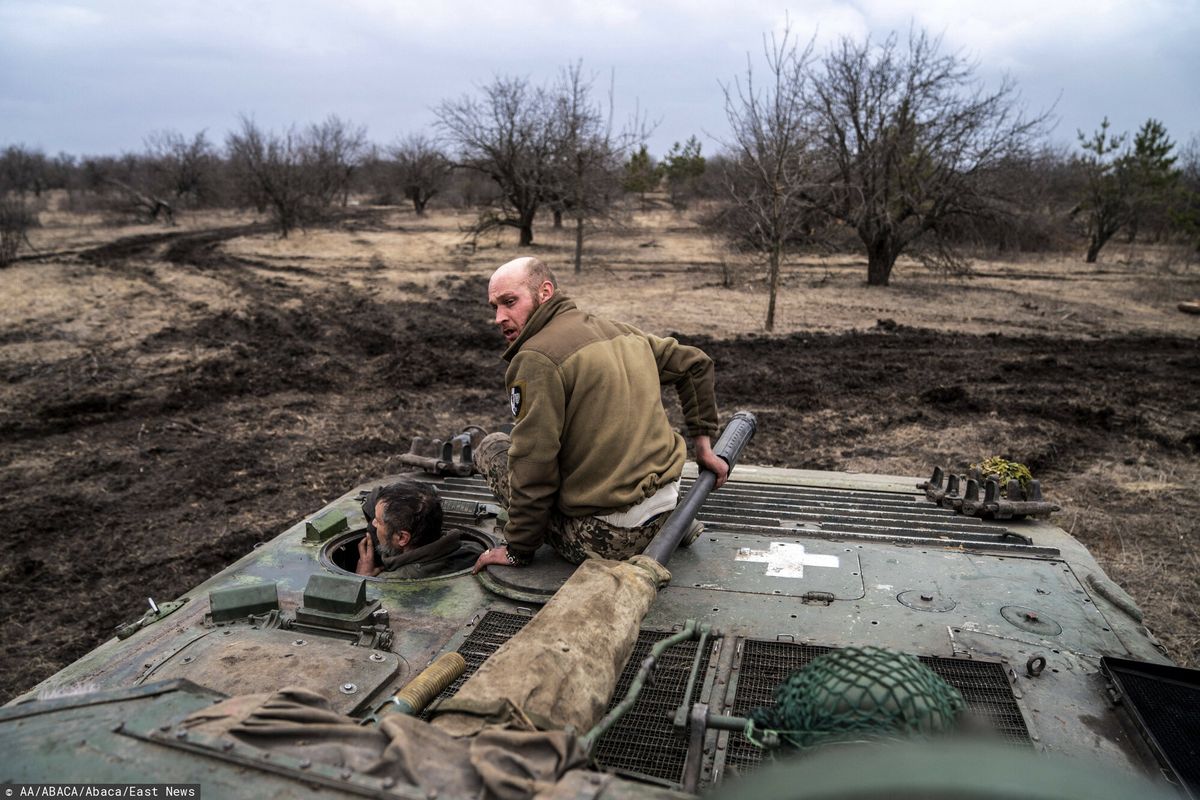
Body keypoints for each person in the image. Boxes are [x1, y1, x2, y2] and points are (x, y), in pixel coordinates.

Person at [472, 256, 728, 572]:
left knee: (491, 447)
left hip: (610, 536)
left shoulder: (535, 359)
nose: (500, 317)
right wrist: (704, 448)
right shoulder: (620, 331)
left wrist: (518, 550)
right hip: (673, 508)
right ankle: (663, 526)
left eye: (509, 302)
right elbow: (695, 365)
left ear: (545, 291)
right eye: (494, 307)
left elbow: (533, 466)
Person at [356, 481, 478, 578]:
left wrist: (363, 579)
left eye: (378, 520)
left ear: (402, 538)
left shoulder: (395, 581)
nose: (373, 523)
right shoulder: (474, 550)